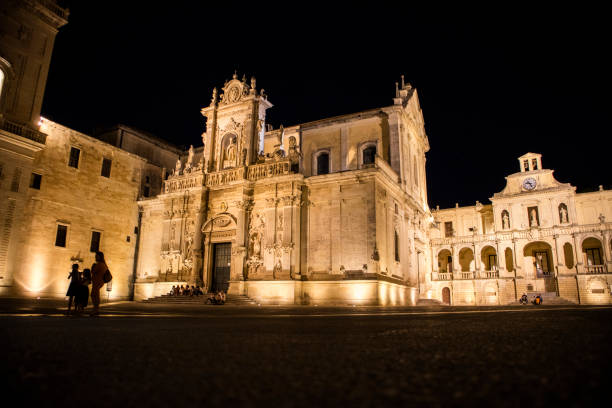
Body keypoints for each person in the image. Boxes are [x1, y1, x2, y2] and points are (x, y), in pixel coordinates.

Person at [90, 251, 109, 316]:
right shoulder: (103, 264)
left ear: (100, 257)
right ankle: (96, 309)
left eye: (96, 256)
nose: (95, 257)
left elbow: (93, 271)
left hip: (97, 281)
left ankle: (95, 309)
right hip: (99, 281)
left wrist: (92, 267)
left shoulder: (99, 264)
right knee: (95, 295)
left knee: (94, 295)